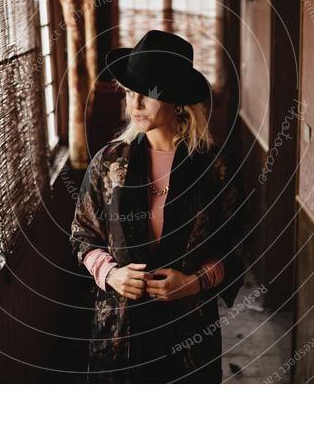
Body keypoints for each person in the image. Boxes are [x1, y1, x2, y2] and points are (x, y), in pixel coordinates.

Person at [69, 29, 247, 383]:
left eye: (146, 95)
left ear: (177, 100)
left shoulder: (214, 170)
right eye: (129, 94)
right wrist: (111, 274)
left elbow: (236, 247)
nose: (133, 105)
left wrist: (192, 283)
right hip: (119, 335)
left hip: (188, 336)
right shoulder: (110, 163)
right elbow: (83, 235)